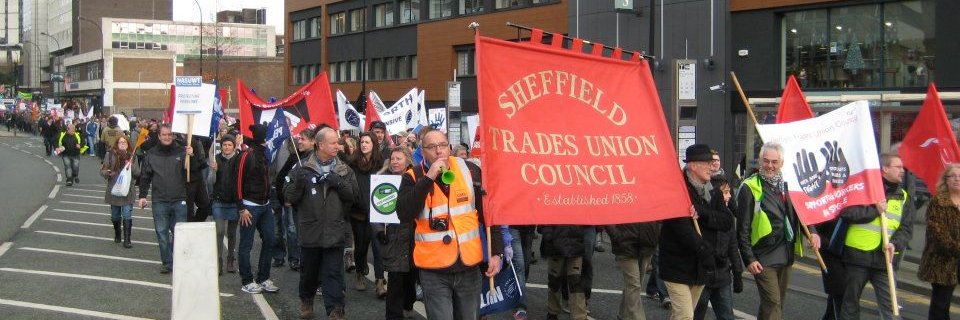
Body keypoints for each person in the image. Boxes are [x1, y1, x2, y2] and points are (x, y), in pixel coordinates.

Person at [396, 127, 503, 320]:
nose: (438, 151)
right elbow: (404, 213)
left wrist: (497, 252)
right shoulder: (412, 176)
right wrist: (428, 178)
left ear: (449, 147)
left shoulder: (470, 170)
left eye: (443, 145)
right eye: (432, 147)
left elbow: (489, 215)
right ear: (423, 151)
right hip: (433, 269)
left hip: (468, 265)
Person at [737, 142, 820, 320]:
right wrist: (749, 258)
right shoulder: (749, 187)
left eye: (774, 162)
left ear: (781, 163)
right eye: (766, 161)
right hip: (762, 257)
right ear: (759, 161)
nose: (770, 166)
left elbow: (801, 214)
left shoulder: (790, 185)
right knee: (773, 303)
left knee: (774, 304)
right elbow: (742, 228)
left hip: (786, 254)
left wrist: (812, 232)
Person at [284, 127, 358, 319]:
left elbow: (354, 197)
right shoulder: (302, 168)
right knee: (309, 272)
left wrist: (339, 184)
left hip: (334, 231)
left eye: (338, 142)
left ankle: (335, 309)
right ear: (321, 144)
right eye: (333, 142)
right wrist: (298, 184)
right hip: (310, 232)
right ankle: (306, 300)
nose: (337, 146)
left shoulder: (344, 170)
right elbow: (288, 196)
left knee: (333, 273)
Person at [838, 153, 915, 320]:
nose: (903, 170)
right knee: (850, 304)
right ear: (885, 169)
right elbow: (847, 213)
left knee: (892, 307)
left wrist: (895, 243)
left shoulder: (903, 197)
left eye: (903, 167)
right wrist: (875, 210)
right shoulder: (862, 190)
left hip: (885, 260)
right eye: (898, 167)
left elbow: (906, 228)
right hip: (857, 256)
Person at [659, 144, 731, 320]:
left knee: (681, 315)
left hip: (701, 268)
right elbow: (682, 229)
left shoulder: (713, 191)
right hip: (677, 265)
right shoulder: (677, 191)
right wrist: (705, 250)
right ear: (692, 165)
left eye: (711, 162)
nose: (711, 166)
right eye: (706, 162)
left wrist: (703, 212)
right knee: (685, 316)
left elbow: (727, 221)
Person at [138, 123, 198, 273]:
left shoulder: (182, 151)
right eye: (164, 134)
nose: (167, 137)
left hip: (179, 199)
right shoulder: (151, 154)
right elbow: (145, 176)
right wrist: (142, 196)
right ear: (159, 136)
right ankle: (167, 263)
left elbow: (196, 170)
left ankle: (180, 260)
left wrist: (192, 156)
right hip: (160, 200)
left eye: (169, 134)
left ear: (173, 135)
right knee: (162, 233)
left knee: (180, 234)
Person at [375, 147, 419, 319]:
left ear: (407, 160)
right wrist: (379, 231)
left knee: (411, 278)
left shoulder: (417, 180)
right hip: (393, 236)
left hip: (415, 237)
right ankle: (393, 315)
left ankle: (408, 304)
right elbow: (376, 211)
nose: (394, 162)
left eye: (398, 159)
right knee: (395, 280)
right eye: (392, 158)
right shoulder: (382, 181)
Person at [236, 123, 280, 294]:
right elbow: (238, 181)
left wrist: (270, 203)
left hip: (265, 205)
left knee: (270, 239)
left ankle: (263, 277)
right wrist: (241, 207)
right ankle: (247, 280)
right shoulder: (247, 155)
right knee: (246, 244)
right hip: (249, 206)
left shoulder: (264, 154)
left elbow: (268, 180)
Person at [693, 175, 742, 320]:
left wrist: (738, 272)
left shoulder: (728, 217)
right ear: (714, 194)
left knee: (727, 316)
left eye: (729, 192)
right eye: (725, 192)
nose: (728, 197)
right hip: (702, 278)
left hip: (722, 276)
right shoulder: (700, 216)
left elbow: (733, 246)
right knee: (695, 315)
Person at [918, 163, 960, 320]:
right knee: (940, 306)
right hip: (942, 262)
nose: (957, 179)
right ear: (946, 180)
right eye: (953, 176)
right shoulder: (938, 203)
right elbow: (938, 234)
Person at [348, 132, 387, 295]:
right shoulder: (353, 164)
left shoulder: (380, 165)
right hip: (358, 213)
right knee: (361, 246)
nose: (364, 145)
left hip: (376, 213)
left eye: (367, 142)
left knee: (378, 248)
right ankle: (359, 273)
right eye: (362, 142)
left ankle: (379, 281)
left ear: (374, 145)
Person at [606, 220, 660, 320]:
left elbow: (661, 214)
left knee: (634, 285)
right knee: (634, 285)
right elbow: (606, 215)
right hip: (626, 245)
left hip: (647, 244)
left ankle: (623, 315)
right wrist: (617, 236)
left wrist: (656, 234)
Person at [100, 135, 139, 248]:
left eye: (124, 142)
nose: (122, 144)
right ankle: (117, 233)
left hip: (127, 190)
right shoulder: (110, 154)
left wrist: (131, 166)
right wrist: (107, 173)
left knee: (127, 213)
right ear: (117, 144)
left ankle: (127, 239)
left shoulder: (132, 156)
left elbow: (137, 173)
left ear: (128, 144)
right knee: (115, 216)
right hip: (115, 189)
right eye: (120, 142)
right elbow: (103, 170)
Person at [540, 225, 588, 320]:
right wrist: (549, 236)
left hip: (574, 244)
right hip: (558, 244)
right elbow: (543, 221)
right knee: (555, 281)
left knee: (575, 282)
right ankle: (552, 311)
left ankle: (579, 316)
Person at [210, 135, 241, 274]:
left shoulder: (238, 159)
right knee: (219, 231)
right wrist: (214, 171)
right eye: (224, 145)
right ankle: (218, 260)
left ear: (234, 146)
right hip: (219, 200)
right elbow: (210, 182)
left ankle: (230, 260)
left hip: (234, 201)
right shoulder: (216, 159)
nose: (227, 147)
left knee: (232, 232)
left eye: (229, 145)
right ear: (221, 146)